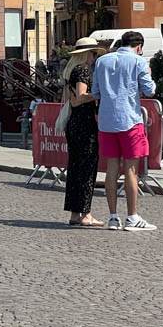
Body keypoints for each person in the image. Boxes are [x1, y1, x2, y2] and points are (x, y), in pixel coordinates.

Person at [90, 30, 157, 231]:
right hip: (130, 120)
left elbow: (95, 92)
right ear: (139, 47)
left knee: (111, 170)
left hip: (106, 120)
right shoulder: (138, 61)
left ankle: (112, 217)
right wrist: (150, 76)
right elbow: (150, 90)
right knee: (130, 170)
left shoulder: (102, 61)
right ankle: (132, 217)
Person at [60, 37, 104, 227]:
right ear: (87, 54)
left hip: (74, 124)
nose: (94, 57)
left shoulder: (71, 71)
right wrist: (99, 94)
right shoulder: (84, 70)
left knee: (75, 169)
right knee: (86, 170)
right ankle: (86, 214)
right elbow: (80, 97)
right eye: (93, 53)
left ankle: (74, 213)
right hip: (84, 123)